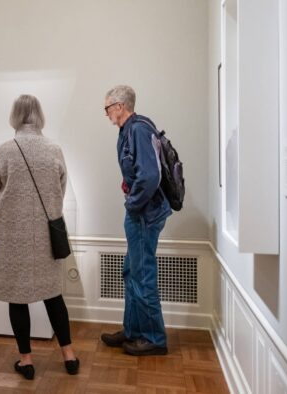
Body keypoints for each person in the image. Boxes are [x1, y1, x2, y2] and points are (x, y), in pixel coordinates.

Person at [0, 94, 79, 380]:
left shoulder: (4, 151)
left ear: (14, 116)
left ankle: (26, 361)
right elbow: (60, 191)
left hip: (12, 237)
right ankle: (69, 355)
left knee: (17, 298)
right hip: (46, 236)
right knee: (53, 296)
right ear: (39, 116)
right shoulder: (54, 149)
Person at [100, 85, 172, 356]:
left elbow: (150, 176)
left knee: (142, 276)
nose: (106, 114)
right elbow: (139, 171)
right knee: (131, 271)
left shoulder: (138, 129)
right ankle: (133, 331)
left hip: (144, 215)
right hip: (142, 213)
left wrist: (132, 203)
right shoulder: (132, 128)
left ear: (119, 106)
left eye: (107, 108)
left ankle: (154, 338)